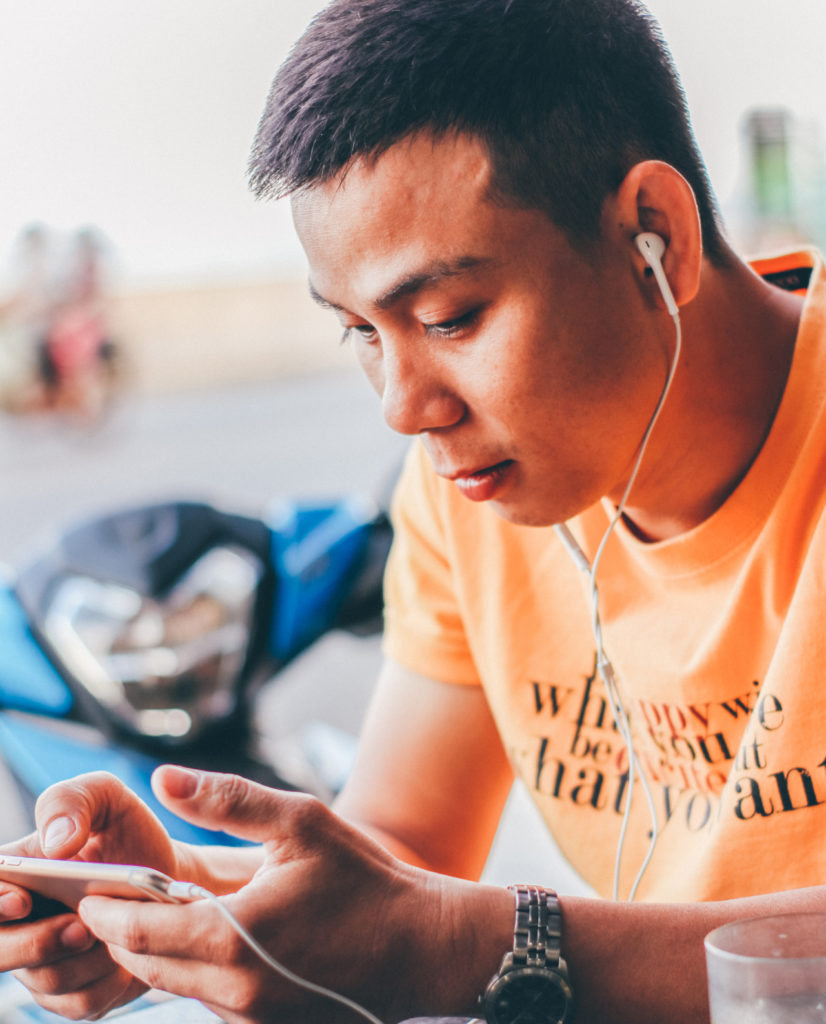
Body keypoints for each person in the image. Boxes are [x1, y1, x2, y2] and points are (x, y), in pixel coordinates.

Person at [0, 0, 823, 1021]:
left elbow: (438, 928)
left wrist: (479, 944)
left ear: (652, 232)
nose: (404, 408)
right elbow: (406, 852)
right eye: (361, 330)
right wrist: (195, 908)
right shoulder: (470, 492)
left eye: (448, 318)